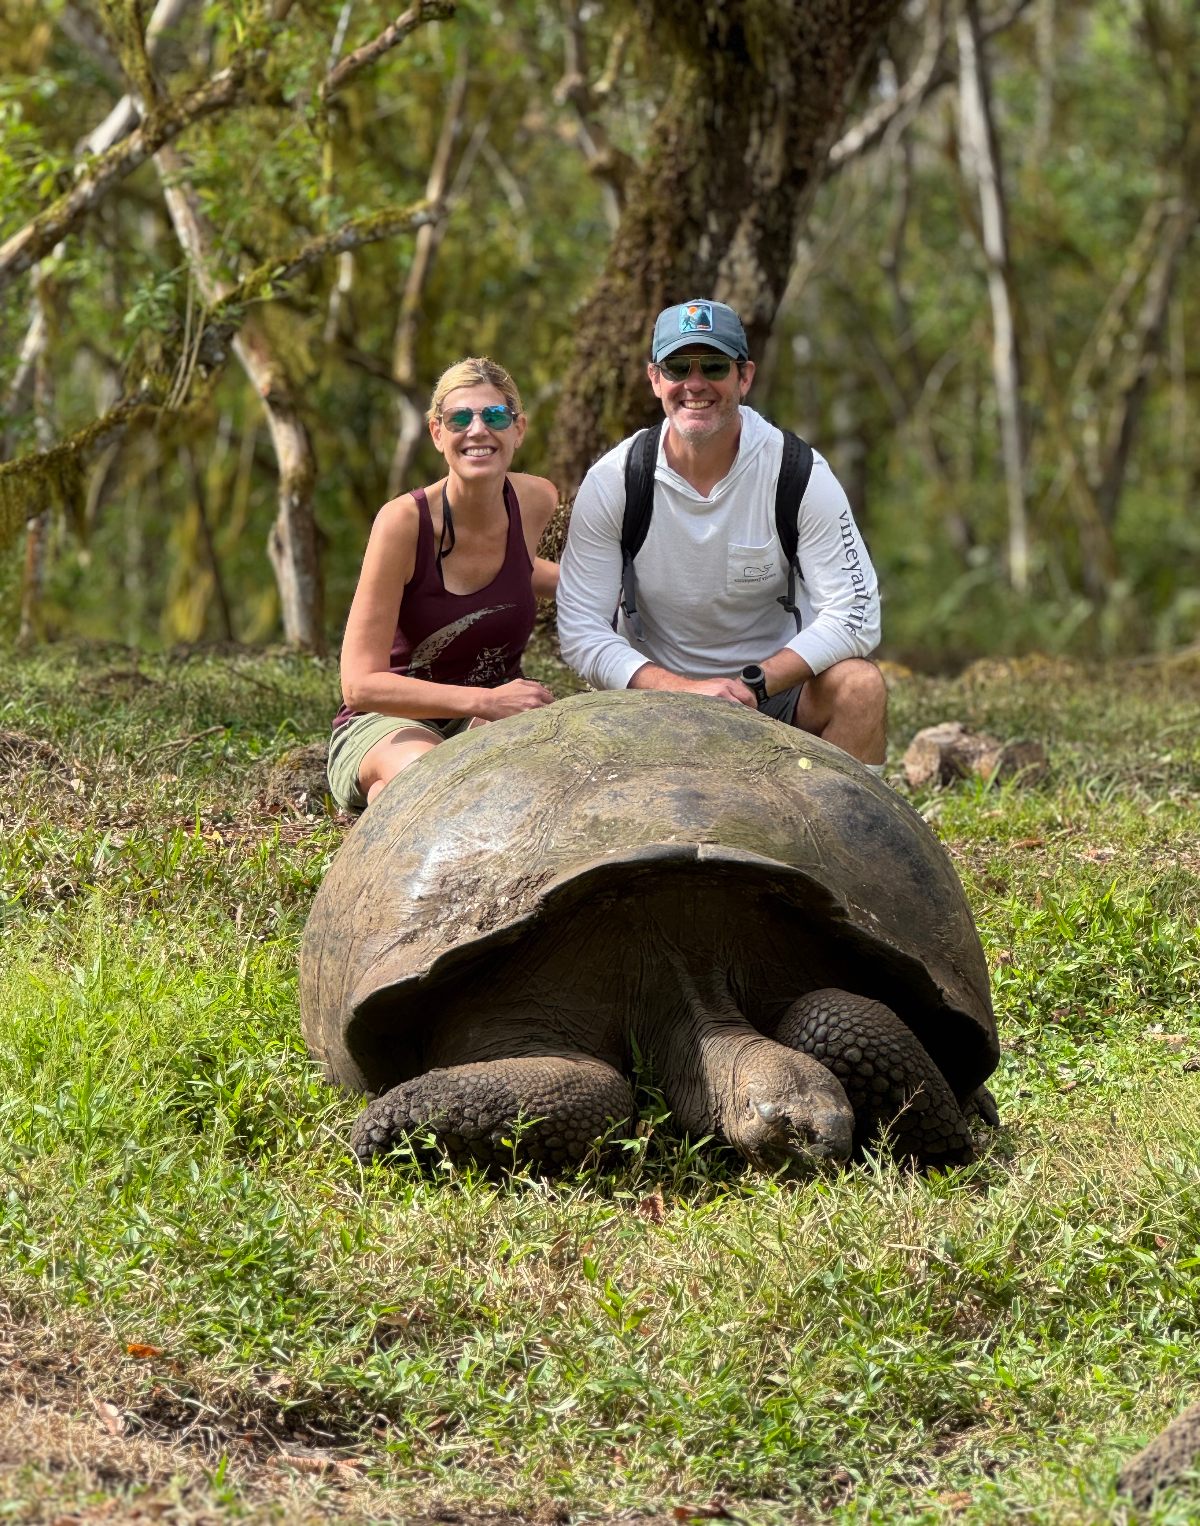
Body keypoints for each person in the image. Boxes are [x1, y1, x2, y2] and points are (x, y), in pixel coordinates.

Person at [557, 299, 887, 771]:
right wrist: (685, 690)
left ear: (744, 377)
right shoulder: (615, 480)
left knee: (861, 687)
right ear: (655, 379)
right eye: (677, 367)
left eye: (714, 365)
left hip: (774, 697)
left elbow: (857, 615)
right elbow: (581, 631)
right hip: (652, 701)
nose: (695, 384)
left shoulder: (798, 473)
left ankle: (858, 840)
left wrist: (753, 684)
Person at [328, 356, 559, 813]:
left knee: (540, 790)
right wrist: (487, 700)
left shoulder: (535, 500)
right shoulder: (403, 523)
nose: (478, 431)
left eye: (494, 416)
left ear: (518, 429)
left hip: (484, 719)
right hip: (389, 723)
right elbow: (359, 685)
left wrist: (615, 589)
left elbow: (519, 568)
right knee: (436, 784)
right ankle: (386, 794)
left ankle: (384, 806)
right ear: (437, 433)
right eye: (459, 418)